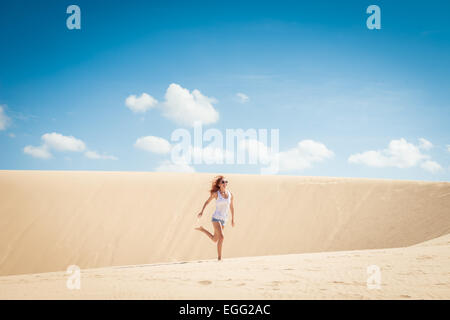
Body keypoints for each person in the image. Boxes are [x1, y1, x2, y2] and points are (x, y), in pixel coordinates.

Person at [195, 175, 235, 261]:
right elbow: (207, 201)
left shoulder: (230, 194)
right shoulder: (216, 194)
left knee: (215, 239)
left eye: (226, 182)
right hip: (216, 218)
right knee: (222, 237)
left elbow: (231, 206)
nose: (225, 183)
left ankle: (202, 229)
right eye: (223, 182)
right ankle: (219, 258)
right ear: (219, 184)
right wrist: (202, 211)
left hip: (224, 219)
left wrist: (232, 219)